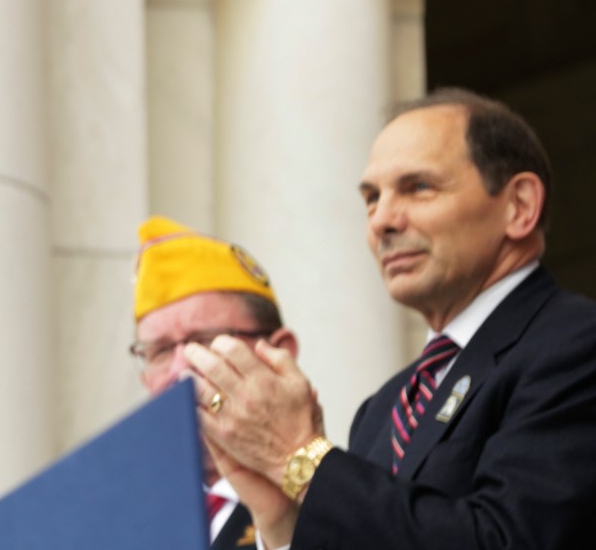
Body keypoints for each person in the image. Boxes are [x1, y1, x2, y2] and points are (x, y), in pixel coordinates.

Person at [185, 88, 596, 549]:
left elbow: (505, 540)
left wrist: (299, 459)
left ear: (518, 206)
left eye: (418, 187)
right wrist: (284, 525)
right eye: (371, 199)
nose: (382, 220)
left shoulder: (576, 345)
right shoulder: (382, 409)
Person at [131, 215, 299, 549]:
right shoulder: (124, 520)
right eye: (161, 350)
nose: (180, 370)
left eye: (204, 341)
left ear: (278, 352)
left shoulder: (337, 501)